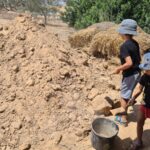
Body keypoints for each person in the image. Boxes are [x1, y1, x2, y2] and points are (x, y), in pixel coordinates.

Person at [113, 19, 141, 126]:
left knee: (123, 96)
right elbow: (137, 59)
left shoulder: (124, 46)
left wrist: (119, 68)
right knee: (128, 93)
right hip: (137, 72)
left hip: (130, 74)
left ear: (123, 32)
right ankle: (129, 103)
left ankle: (123, 118)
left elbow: (129, 63)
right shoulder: (135, 43)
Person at [129, 49, 150, 149]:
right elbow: (139, 88)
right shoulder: (145, 76)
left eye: (147, 68)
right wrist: (133, 97)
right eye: (145, 68)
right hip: (145, 103)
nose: (145, 70)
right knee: (139, 121)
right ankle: (139, 141)